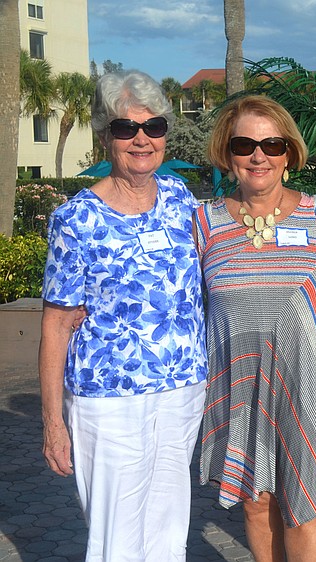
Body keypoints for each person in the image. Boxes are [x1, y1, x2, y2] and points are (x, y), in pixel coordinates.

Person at [39, 70, 207, 561]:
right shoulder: (76, 219)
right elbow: (56, 324)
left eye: (153, 127)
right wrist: (52, 422)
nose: (141, 139)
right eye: (125, 128)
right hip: (109, 398)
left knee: (169, 528)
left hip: (181, 390)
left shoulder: (180, 199)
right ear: (104, 135)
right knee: (116, 535)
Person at [196, 95, 316, 562]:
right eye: (244, 144)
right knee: (256, 500)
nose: (258, 156)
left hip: (309, 382)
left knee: (305, 504)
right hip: (238, 382)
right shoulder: (202, 222)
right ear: (227, 152)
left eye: (271, 144)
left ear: (289, 152)